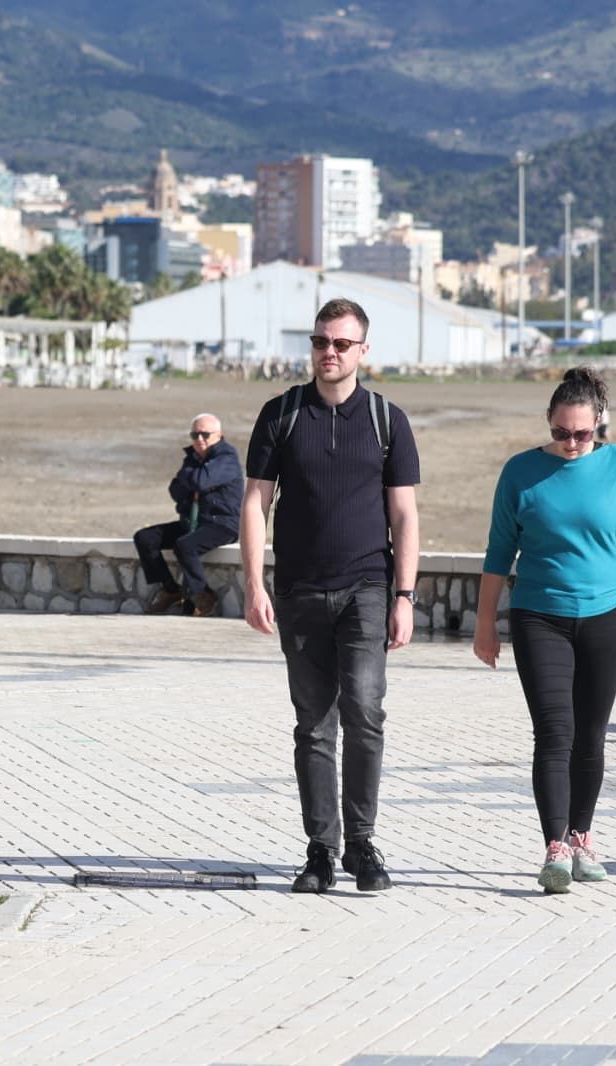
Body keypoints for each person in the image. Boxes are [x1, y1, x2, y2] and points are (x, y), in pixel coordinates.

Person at [240, 298, 421, 894]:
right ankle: (321, 850)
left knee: (365, 711)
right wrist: (253, 584)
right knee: (314, 726)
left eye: (342, 344)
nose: (329, 352)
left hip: (367, 587)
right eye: (321, 342)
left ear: (363, 350)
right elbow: (256, 503)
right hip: (298, 591)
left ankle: (362, 844)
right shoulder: (282, 414)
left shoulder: (387, 421)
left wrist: (404, 596)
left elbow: (405, 515)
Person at [473, 368, 616, 894]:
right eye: (561, 432)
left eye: (582, 434)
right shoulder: (520, 472)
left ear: (598, 424)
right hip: (539, 616)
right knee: (553, 732)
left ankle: (581, 836)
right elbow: (499, 552)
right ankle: (555, 847)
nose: (570, 443)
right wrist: (484, 624)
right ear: (549, 421)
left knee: (590, 735)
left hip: (608, 617)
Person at [132, 412, 243, 617]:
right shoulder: (192, 458)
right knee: (145, 538)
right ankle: (170, 590)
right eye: (194, 435)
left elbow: (198, 482)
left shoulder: (226, 458)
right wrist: (194, 480)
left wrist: (191, 479)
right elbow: (175, 490)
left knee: (185, 545)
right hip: (193, 521)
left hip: (222, 524)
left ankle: (203, 595)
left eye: (205, 434)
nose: (199, 439)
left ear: (219, 435)